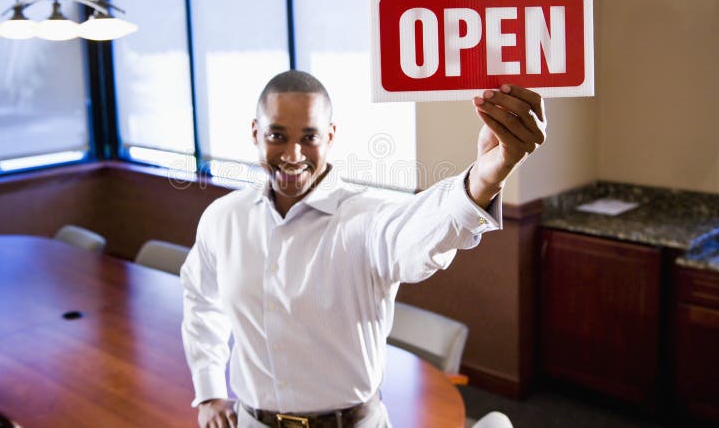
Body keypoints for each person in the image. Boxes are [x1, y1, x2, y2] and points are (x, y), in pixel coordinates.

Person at [181, 70, 546, 428]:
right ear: (255, 133)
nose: (293, 154)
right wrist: (210, 391)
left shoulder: (367, 219)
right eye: (277, 135)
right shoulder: (222, 218)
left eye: (309, 137)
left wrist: (484, 177)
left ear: (331, 135)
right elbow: (201, 301)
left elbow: (422, 229)